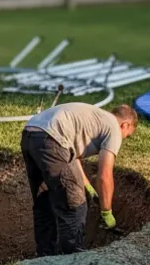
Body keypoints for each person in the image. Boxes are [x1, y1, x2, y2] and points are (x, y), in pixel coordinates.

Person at [20, 102, 138, 256]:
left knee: (45, 201)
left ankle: (44, 256)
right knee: (76, 205)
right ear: (125, 125)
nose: (123, 139)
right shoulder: (114, 127)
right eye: (127, 136)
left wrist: (87, 185)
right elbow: (105, 176)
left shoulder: (93, 119)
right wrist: (106, 211)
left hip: (31, 135)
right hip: (52, 139)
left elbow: (71, 156)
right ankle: (72, 258)